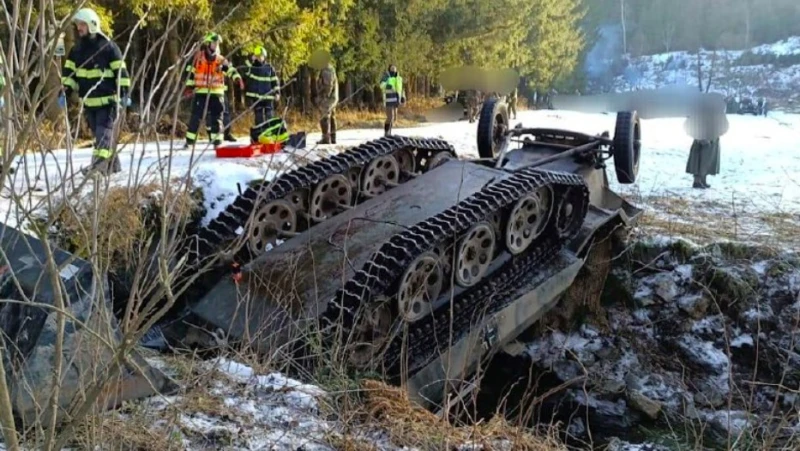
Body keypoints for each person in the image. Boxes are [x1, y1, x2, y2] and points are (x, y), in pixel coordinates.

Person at [59, 8, 130, 175]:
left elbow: (122, 73)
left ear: (92, 24)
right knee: (100, 137)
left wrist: (125, 93)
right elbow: (69, 74)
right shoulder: (76, 50)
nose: (79, 28)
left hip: (108, 103)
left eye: (82, 24)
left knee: (103, 136)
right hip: (89, 104)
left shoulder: (108, 48)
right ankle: (114, 167)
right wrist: (65, 92)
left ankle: (98, 169)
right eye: (77, 25)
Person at [183, 32, 241, 149]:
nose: (216, 46)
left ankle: (217, 142)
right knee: (196, 117)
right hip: (201, 92)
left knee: (217, 118)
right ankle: (190, 141)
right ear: (208, 44)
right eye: (214, 43)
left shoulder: (220, 59)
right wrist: (189, 87)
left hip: (217, 93)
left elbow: (230, 69)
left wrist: (237, 78)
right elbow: (190, 72)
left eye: (217, 44)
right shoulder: (198, 57)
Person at [243, 45, 280, 143]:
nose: (259, 58)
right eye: (257, 56)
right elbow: (245, 71)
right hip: (257, 98)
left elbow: (274, 82)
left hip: (268, 97)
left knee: (269, 117)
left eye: (261, 56)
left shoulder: (269, 68)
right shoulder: (252, 67)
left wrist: (277, 93)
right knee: (259, 118)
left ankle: (271, 136)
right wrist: (251, 60)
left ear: (264, 56)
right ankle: (259, 137)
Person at [316, 60, 338, 144]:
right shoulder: (328, 68)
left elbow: (328, 85)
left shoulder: (326, 69)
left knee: (325, 117)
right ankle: (332, 138)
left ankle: (326, 139)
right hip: (332, 97)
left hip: (328, 98)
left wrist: (324, 97)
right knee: (332, 116)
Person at [379, 64, 405, 136]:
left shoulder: (399, 78)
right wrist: (388, 86)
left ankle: (389, 132)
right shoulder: (386, 77)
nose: (393, 69)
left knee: (394, 118)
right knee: (390, 117)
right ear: (389, 69)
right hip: (388, 99)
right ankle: (386, 132)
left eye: (394, 68)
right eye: (392, 68)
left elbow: (401, 89)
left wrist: (403, 97)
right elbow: (381, 85)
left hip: (396, 100)